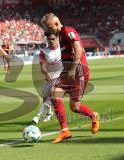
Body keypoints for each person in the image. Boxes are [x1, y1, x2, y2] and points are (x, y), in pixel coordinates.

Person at [41, 13, 100, 143]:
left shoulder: (68, 31)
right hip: (67, 71)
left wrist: (73, 69)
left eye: (49, 28)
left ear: (56, 24)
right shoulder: (60, 35)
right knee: (54, 95)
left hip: (78, 71)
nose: (48, 31)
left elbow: (78, 48)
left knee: (75, 107)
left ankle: (93, 116)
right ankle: (65, 131)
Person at [32, 32, 62, 124]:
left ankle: (38, 115)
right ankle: (49, 114)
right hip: (49, 77)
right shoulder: (44, 52)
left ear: (57, 39)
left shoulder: (63, 48)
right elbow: (42, 68)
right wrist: (46, 74)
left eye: (53, 39)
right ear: (47, 40)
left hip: (61, 77)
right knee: (45, 97)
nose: (51, 41)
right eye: (49, 39)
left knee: (51, 96)